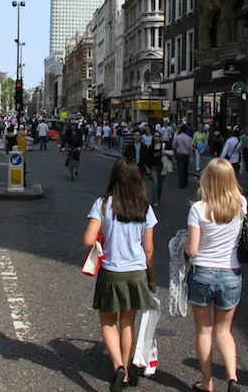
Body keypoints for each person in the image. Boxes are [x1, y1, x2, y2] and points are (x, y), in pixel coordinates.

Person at [82, 159, 157, 391]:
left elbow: (87, 239)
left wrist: (103, 238)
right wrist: (152, 277)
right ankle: (125, 370)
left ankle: (118, 366)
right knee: (127, 322)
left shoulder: (103, 205)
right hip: (136, 272)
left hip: (112, 271)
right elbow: (149, 249)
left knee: (107, 321)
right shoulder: (144, 206)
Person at [185, 158, 247, 392]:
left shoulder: (198, 209)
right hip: (231, 273)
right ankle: (232, 378)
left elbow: (192, 249)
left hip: (202, 272)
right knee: (224, 331)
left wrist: (181, 246)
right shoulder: (241, 203)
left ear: (207, 180)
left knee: (204, 330)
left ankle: (207, 383)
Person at [146, 132, 171, 207]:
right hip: (154, 167)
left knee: (160, 185)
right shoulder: (151, 147)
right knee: (155, 184)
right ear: (153, 137)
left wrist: (165, 153)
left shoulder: (164, 146)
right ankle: (155, 200)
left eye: (158, 136)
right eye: (155, 136)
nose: (157, 138)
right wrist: (148, 167)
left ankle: (158, 198)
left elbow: (171, 154)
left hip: (162, 167)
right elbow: (149, 157)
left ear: (160, 137)